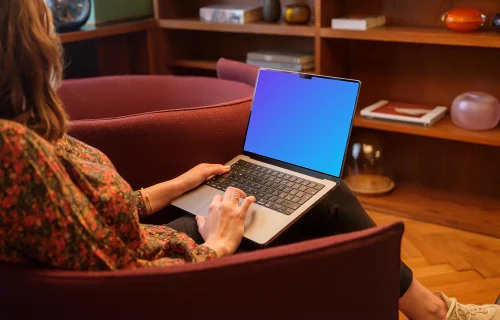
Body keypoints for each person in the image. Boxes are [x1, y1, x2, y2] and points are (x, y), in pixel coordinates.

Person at [0, 1, 498, 319]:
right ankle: (435, 312)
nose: (53, 32)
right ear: (24, 41)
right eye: (44, 19)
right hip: (169, 275)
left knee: (302, 196)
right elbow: (114, 287)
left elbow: (84, 221)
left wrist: (177, 184)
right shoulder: (13, 152)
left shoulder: (20, 132)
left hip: (152, 245)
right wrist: (216, 246)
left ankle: (427, 308)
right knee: (325, 200)